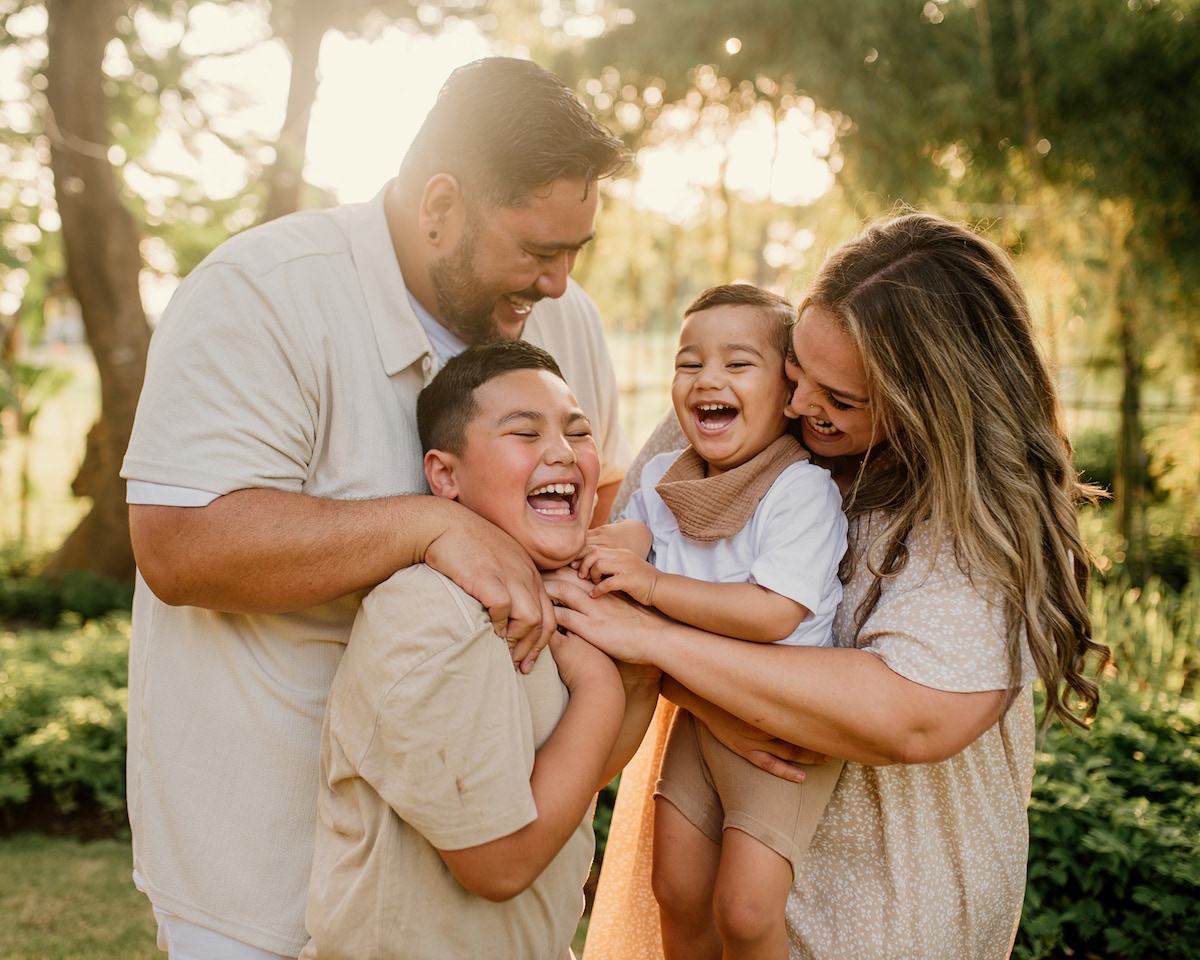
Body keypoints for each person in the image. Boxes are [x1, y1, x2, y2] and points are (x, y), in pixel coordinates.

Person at [121, 57, 631, 959]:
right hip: (270, 878)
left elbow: (595, 510)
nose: (558, 282)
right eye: (537, 251)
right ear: (440, 206)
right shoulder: (260, 294)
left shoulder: (569, 321)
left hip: (491, 900)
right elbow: (179, 545)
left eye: (575, 251)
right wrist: (429, 525)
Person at [548, 213, 1111, 960]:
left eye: (839, 398)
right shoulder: (732, 409)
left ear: (930, 402)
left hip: (885, 900)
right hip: (706, 848)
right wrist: (709, 694)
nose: (796, 405)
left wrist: (668, 647)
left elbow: (913, 714)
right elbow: (611, 593)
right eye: (795, 371)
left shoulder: (978, 516)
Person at [300, 341, 657, 960]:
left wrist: (636, 666)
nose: (562, 452)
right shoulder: (431, 615)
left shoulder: (549, 597)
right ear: (445, 476)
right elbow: (499, 864)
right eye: (525, 432)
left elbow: (577, 776)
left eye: (578, 432)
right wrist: (600, 687)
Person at [574, 284, 846, 960]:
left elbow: (773, 611)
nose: (707, 379)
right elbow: (638, 530)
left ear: (788, 393)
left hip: (777, 725)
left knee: (746, 910)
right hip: (700, 714)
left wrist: (652, 584)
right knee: (675, 888)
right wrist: (617, 543)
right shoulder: (668, 476)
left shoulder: (799, 489)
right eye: (689, 363)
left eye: (737, 363)